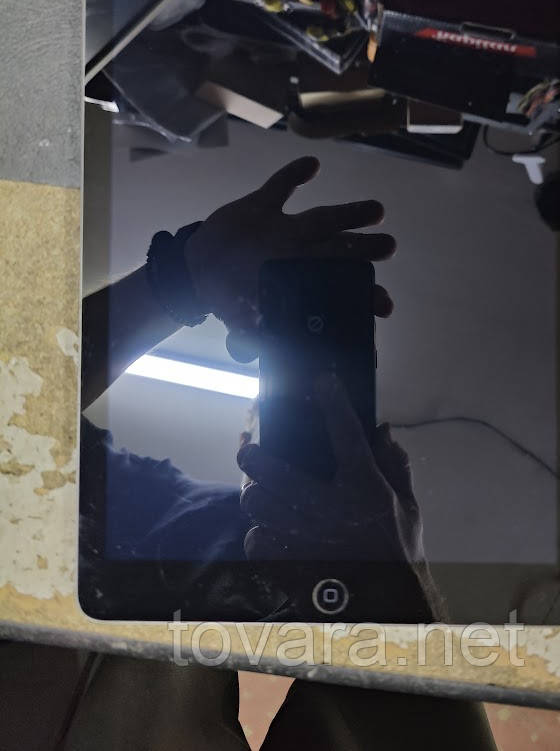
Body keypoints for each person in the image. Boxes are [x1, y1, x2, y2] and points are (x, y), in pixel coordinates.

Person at [75, 155, 496, 749]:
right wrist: (396, 600)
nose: (297, 412)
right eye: (275, 404)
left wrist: (181, 279)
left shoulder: (271, 551)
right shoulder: (172, 512)